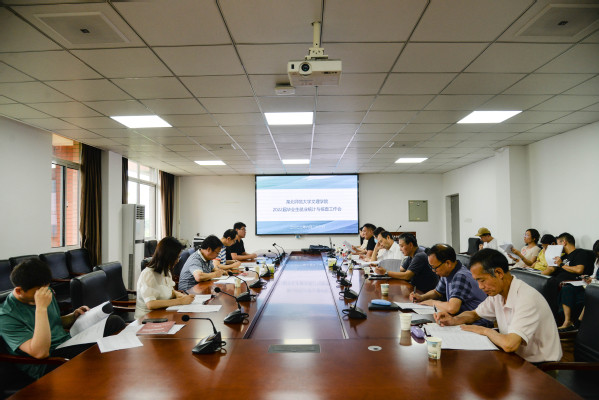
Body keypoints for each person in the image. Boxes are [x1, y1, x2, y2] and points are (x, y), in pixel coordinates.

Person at [0, 259, 125, 380]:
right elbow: (40, 353)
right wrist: (41, 308)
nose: (44, 293)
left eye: (46, 288)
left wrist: (73, 316)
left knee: (114, 322)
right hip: (48, 360)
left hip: (67, 342)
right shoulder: (6, 316)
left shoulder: (45, 292)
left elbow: (53, 322)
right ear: (19, 291)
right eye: (38, 292)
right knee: (98, 350)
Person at [435, 248, 562, 363]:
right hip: (515, 360)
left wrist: (484, 331)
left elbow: (510, 345)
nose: (480, 287)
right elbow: (474, 314)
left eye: (482, 280)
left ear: (499, 273)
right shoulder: (498, 294)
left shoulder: (527, 298)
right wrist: (454, 320)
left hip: (541, 367)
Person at [409, 244, 488, 319]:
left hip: (477, 322)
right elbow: (437, 292)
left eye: (435, 267)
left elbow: (452, 308)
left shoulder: (461, 276)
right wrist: (422, 297)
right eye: (431, 267)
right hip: (460, 318)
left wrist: (432, 302)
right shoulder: (447, 272)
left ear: (448, 263)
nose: (433, 270)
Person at [135, 236, 196, 319]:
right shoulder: (148, 274)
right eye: (176, 257)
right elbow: (151, 304)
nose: (178, 260)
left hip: (163, 314)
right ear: (168, 257)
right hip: (147, 319)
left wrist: (180, 295)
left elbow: (170, 291)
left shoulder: (166, 271)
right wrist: (180, 301)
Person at [544, 232, 596, 314]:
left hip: (571, 281)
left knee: (552, 283)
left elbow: (579, 270)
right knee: (546, 282)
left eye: (558, 244)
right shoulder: (563, 256)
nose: (557, 247)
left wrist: (561, 264)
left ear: (564, 242)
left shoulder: (580, 253)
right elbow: (551, 269)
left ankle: (553, 313)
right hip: (557, 279)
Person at [556, 240, 599, 332]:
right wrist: (588, 277)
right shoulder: (597, 260)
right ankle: (567, 321)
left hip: (595, 288)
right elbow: (594, 275)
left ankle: (577, 324)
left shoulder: (580, 253)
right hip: (590, 285)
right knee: (567, 289)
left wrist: (593, 280)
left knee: (590, 296)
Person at [374, 233, 438, 292]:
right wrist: (382, 269)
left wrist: (385, 272)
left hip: (424, 292)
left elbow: (407, 276)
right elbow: (401, 269)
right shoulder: (411, 255)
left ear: (410, 245)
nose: (400, 249)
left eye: (402, 246)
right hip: (416, 289)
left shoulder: (419, 256)